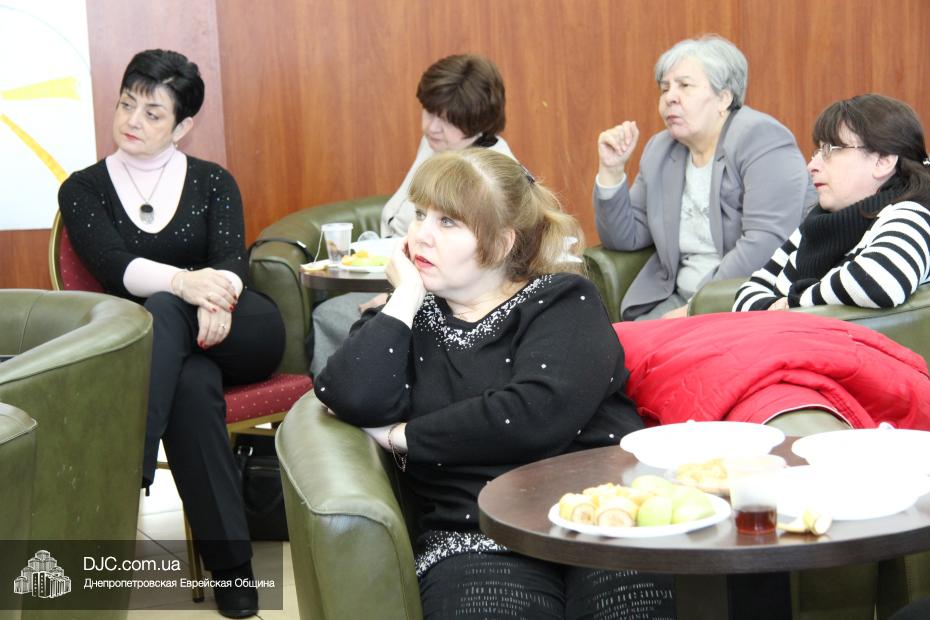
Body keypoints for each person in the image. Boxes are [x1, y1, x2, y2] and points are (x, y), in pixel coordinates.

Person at [314, 148, 675, 619]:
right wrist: (404, 297)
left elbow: (532, 413)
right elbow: (347, 393)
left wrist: (404, 437)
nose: (421, 234)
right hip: (475, 534)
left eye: (448, 222)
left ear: (502, 244)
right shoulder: (404, 318)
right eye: (420, 215)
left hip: (606, 515)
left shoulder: (563, 300)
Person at [59, 49, 284, 619]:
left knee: (169, 309)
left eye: (152, 112)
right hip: (160, 347)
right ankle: (233, 571)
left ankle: (125, 467)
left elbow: (232, 260)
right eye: (126, 104)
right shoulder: (83, 189)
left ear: (183, 126)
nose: (132, 120)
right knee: (188, 383)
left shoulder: (212, 181)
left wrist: (215, 296)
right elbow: (115, 269)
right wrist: (186, 287)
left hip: (239, 330)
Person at [310, 53, 515, 377]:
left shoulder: (486, 175)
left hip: (439, 296)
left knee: (331, 315)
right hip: (405, 280)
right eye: (429, 111)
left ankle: (340, 400)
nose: (432, 127)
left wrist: (399, 297)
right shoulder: (439, 145)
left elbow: (476, 270)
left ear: (478, 120)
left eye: (447, 119)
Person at [594, 34, 816, 320]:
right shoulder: (661, 150)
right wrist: (611, 171)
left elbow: (766, 241)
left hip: (743, 301)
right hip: (676, 299)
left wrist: (696, 308)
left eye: (684, 85)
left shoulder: (761, 138)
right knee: (613, 345)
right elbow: (625, 237)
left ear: (724, 98)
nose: (670, 97)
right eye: (664, 88)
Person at [734, 94, 930, 311]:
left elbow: (879, 283)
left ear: (883, 161)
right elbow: (748, 293)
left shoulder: (912, 216)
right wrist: (783, 308)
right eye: (817, 150)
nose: (812, 166)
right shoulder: (817, 223)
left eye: (829, 150)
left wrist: (790, 305)